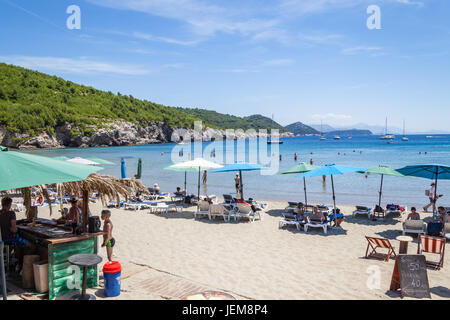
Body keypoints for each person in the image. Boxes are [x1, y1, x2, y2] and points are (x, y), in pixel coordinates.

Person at [0, 196, 35, 271]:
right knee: (31, 246)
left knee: (18, 245)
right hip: (10, 238)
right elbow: (14, 230)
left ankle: (18, 263)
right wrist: (15, 228)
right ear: (9, 204)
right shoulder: (11, 213)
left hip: (2, 239)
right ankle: (22, 265)